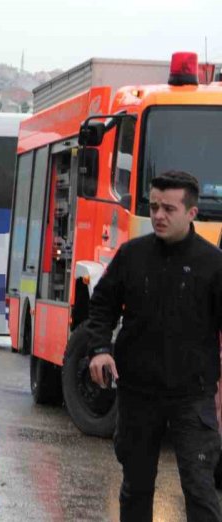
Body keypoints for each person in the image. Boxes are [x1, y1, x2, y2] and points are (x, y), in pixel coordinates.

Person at [86, 170, 222, 522]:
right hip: (138, 393)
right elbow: (101, 304)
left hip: (193, 395)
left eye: (169, 209)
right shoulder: (132, 255)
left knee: (200, 489)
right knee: (136, 486)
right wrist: (100, 348)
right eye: (154, 206)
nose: (158, 216)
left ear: (191, 213)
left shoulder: (213, 264)